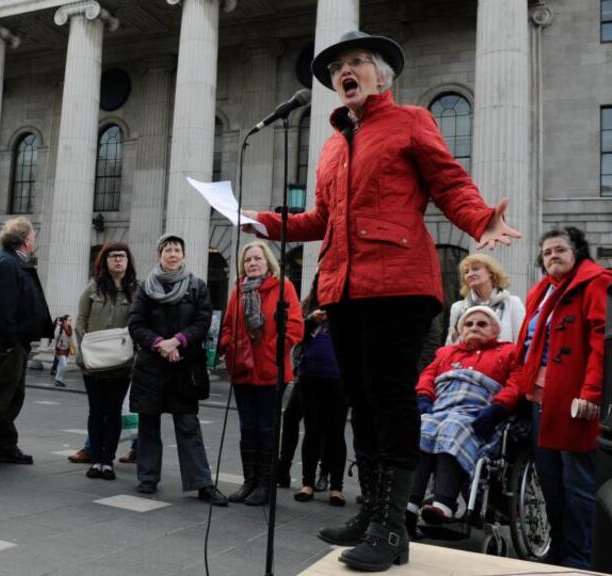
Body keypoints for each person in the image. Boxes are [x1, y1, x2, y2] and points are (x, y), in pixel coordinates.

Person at [241, 30, 519, 570]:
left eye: (358, 62)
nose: (346, 71)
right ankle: (371, 512)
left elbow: (448, 182)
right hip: (344, 288)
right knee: (361, 401)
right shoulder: (330, 145)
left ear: (381, 75)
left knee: (390, 402)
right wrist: (260, 221)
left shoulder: (410, 119)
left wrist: (481, 218)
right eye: (338, 66)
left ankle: (393, 529)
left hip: (399, 284)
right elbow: (320, 220)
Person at [490, 227, 609, 569]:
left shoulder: (595, 282)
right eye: (546, 252)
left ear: (577, 253)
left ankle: (581, 559)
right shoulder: (543, 291)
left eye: (560, 250)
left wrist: (591, 393)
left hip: (575, 403)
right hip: (540, 400)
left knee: (578, 487)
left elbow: (602, 344)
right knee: (552, 485)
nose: (553, 256)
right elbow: (525, 347)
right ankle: (558, 554)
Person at [129, 233, 228, 506]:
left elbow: (203, 321)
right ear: (159, 255)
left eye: (177, 250)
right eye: (167, 250)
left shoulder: (197, 287)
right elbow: (136, 325)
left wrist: (177, 341)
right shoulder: (146, 288)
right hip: (152, 366)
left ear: (183, 255)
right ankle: (148, 477)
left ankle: (202, 483)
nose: (173, 254)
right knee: (149, 424)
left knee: (188, 425)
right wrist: (160, 343)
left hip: (184, 367)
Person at [411, 306, 521, 531]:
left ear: (495, 330)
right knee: (421, 428)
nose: (474, 328)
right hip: (442, 408)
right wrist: (424, 397)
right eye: (469, 324)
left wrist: (498, 408)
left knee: (453, 427)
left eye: (482, 324)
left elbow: (517, 383)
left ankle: (443, 503)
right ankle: (410, 504)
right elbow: (428, 376)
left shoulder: (508, 351)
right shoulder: (446, 353)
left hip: (478, 412)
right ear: (461, 330)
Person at [219, 241, 303, 506]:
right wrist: (228, 347)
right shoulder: (238, 290)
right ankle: (250, 481)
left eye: (257, 258)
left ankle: (266, 486)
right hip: (242, 368)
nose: (252, 263)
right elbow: (228, 326)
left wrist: (271, 349)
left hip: (270, 370)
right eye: (247, 260)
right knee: (247, 427)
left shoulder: (283, 287)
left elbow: (295, 327)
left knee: (267, 428)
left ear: (268, 262)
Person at [0, 217, 52, 471]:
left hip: (17, 341)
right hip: (9, 343)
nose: (34, 240)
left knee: (13, 395)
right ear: (26, 239)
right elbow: (3, 308)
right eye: (33, 236)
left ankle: (6, 445)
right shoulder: (8, 264)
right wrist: (9, 342)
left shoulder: (14, 261)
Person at [75, 241, 139, 480]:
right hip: (93, 363)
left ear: (128, 261)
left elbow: (140, 324)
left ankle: (107, 461)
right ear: (104, 262)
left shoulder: (135, 291)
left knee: (113, 412)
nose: (118, 260)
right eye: (112, 256)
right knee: (96, 410)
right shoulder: (92, 288)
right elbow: (80, 320)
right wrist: (81, 353)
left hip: (122, 363)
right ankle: (96, 459)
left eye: (122, 256)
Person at [293, 276, 347, 506]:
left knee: (336, 432)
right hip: (310, 374)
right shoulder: (309, 306)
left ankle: (336, 487)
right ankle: (307, 483)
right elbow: (296, 336)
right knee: (312, 430)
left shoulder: (347, 307)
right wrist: (310, 321)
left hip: (339, 376)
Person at [444, 254, 525, 345]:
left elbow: (521, 341)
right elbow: (450, 346)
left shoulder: (513, 303)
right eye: (466, 272)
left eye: (475, 269)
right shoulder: (458, 308)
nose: (470, 274)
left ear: (491, 272)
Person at [52, 315, 72, 387]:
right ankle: (58, 379)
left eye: (71, 320)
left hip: (66, 349)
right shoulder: (60, 327)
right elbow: (55, 337)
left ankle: (58, 379)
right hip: (59, 349)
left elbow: (69, 339)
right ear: (65, 321)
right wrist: (53, 348)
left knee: (62, 364)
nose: (70, 321)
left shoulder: (69, 328)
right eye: (69, 320)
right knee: (63, 364)